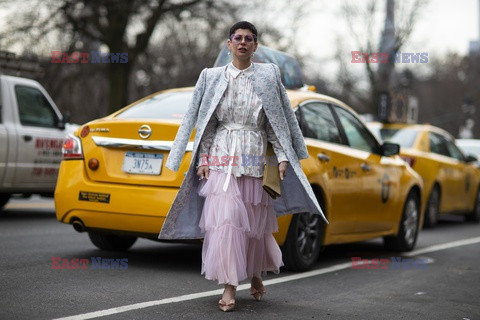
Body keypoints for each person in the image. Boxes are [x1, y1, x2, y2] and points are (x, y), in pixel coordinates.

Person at [159, 21, 327, 312]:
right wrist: (203, 160)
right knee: (228, 223)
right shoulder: (212, 76)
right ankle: (229, 286)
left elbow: (275, 122)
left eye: (249, 39)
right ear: (228, 44)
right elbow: (207, 124)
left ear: (255, 46)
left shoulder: (267, 76)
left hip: (254, 158)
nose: (243, 43)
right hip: (222, 158)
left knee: (253, 225)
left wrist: (284, 158)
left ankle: (256, 274)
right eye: (237, 38)